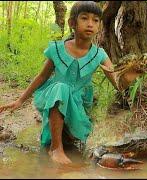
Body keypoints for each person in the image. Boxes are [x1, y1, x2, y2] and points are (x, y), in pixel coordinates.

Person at [0, 1, 118, 164]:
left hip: (79, 103)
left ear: (99, 26)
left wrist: (131, 74)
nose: (90, 24)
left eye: (95, 20)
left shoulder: (100, 54)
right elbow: (42, 77)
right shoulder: (58, 49)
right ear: (72, 23)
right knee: (61, 88)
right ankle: (55, 149)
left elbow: (118, 83)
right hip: (53, 96)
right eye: (84, 18)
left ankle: (65, 137)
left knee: (75, 141)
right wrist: (20, 100)